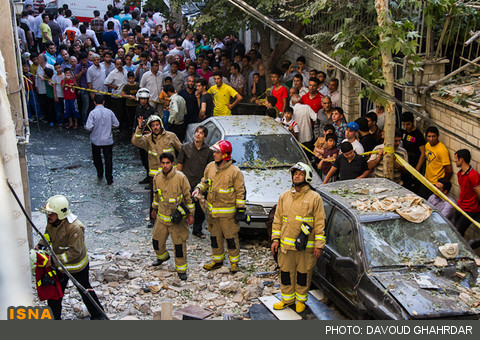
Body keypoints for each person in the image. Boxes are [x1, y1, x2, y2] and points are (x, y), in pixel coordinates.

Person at [36, 195, 106, 320]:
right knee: (55, 294)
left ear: (60, 213)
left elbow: (75, 252)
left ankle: (99, 316)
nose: (48, 216)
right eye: (48, 213)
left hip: (77, 267)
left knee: (85, 290)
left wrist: (52, 260)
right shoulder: (52, 222)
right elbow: (48, 235)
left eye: (51, 213)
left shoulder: (75, 228)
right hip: (59, 266)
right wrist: (41, 244)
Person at [271, 162, 326, 313]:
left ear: (307, 177)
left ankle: (301, 301)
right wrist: (275, 240)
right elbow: (277, 220)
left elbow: (320, 222)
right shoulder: (284, 196)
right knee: (286, 274)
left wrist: (319, 245)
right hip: (286, 248)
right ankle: (287, 300)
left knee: (303, 274)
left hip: (305, 248)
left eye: (300, 174)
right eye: (295, 174)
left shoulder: (315, 198)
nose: (296, 176)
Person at [192, 140, 247, 273]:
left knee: (231, 239)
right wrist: (198, 189)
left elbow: (241, 191)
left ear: (225, 155)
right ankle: (217, 261)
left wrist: (240, 210)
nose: (214, 154)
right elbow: (204, 182)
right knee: (215, 238)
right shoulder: (210, 167)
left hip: (228, 215)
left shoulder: (235, 171)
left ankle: (234, 263)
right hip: (213, 214)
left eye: (217, 152)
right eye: (215, 152)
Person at [150, 152, 194, 280]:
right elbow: (156, 196)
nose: (165, 166)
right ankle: (162, 257)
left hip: (177, 219)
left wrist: (191, 214)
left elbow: (188, 197)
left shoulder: (180, 177)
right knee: (157, 241)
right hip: (162, 217)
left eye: (167, 163)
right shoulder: (157, 178)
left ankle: (181, 270)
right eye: (163, 163)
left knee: (179, 246)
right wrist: (154, 208)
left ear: (172, 163)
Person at [132, 115, 182, 227]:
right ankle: (153, 219)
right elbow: (136, 141)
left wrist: (179, 167)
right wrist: (139, 128)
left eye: (157, 125)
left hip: (170, 174)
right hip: (155, 176)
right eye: (153, 125)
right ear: (150, 127)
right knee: (154, 198)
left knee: (172, 196)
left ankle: (174, 217)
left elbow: (181, 150)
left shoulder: (171, 136)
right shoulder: (148, 139)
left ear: (161, 124)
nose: (156, 127)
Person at [177, 125, 214, 239]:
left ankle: (197, 230)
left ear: (205, 137)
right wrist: (178, 179)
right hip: (186, 181)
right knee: (183, 206)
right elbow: (180, 164)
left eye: (201, 133)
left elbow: (210, 168)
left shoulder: (209, 151)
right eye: (197, 132)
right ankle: (181, 228)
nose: (198, 134)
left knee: (200, 208)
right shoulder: (185, 147)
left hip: (200, 184)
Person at [85, 94, 120, 185]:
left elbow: (89, 127)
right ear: (103, 102)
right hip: (108, 140)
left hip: (96, 140)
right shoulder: (109, 112)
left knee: (97, 158)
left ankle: (100, 173)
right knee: (108, 160)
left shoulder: (92, 113)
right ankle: (109, 179)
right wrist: (110, 128)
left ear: (94, 102)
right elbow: (116, 124)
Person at [454, 149, 480, 238]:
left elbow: (479, 193)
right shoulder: (459, 173)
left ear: (461, 160)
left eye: (456, 159)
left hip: (470, 209)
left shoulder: (473, 175)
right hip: (461, 205)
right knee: (454, 229)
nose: (455, 161)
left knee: (458, 231)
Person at [133, 88, 156, 185]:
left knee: (150, 159)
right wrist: (134, 133)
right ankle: (147, 176)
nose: (143, 101)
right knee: (143, 158)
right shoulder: (138, 108)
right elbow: (135, 122)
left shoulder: (152, 110)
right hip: (140, 136)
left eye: (145, 99)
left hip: (149, 138)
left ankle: (152, 181)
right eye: (141, 99)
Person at [401, 111, 426, 194]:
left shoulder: (418, 135)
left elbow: (423, 153)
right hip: (405, 164)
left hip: (414, 164)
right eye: (404, 124)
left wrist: (417, 169)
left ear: (412, 122)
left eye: (408, 124)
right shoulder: (404, 132)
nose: (406, 127)